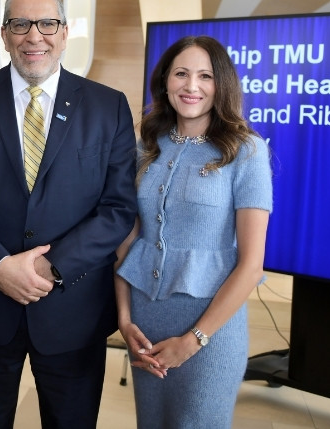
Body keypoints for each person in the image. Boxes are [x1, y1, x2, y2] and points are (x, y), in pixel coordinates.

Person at [0, 0, 137, 429]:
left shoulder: (108, 107)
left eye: (46, 24)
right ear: (4, 34)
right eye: (20, 24)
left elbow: (117, 208)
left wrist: (49, 268)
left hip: (72, 311)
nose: (33, 36)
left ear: (64, 33)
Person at [114, 35, 273, 428]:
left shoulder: (246, 151)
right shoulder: (146, 145)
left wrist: (192, 341)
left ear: (222, 84)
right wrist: (123, 317)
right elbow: (127, 241)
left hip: (210, 330)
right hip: (145, 321)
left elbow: (252, 265)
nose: (191, 86)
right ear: (165, 81)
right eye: (181, 73)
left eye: (205, 76)